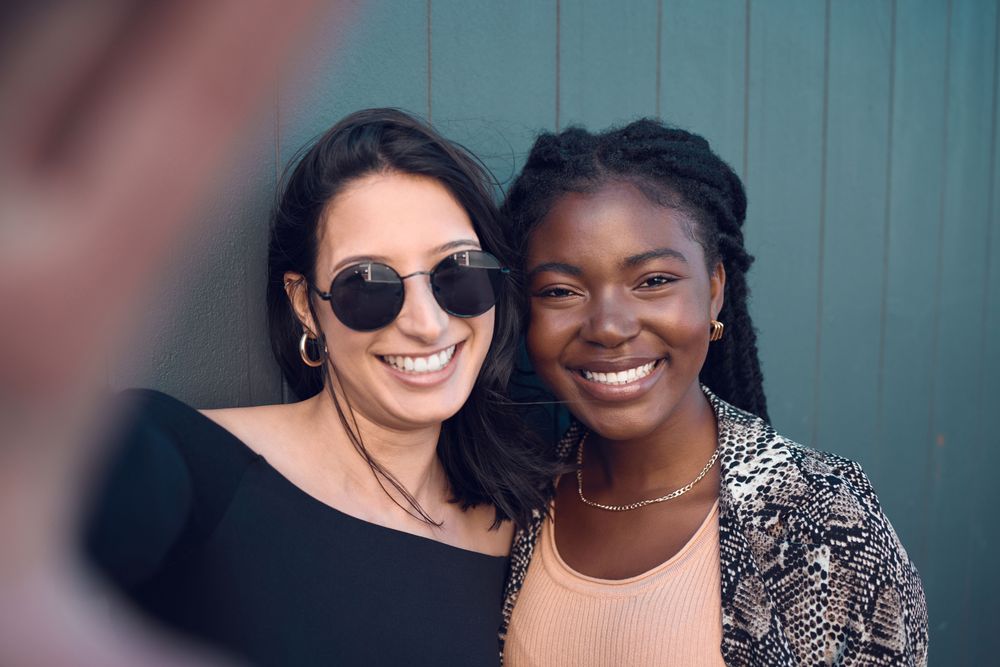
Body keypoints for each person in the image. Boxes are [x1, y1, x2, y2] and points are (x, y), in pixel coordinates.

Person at [83, 108, 553, 667]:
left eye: (458, 271)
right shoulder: (179, 460)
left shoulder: (519, 526)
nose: (427, 323)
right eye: (369, 284)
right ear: (306, 305)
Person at [498, 120, 928, 666]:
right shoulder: (522, 502)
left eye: (653, 281)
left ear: (715, 291)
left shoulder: (822, 523)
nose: (608, 327)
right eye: (561, 290)